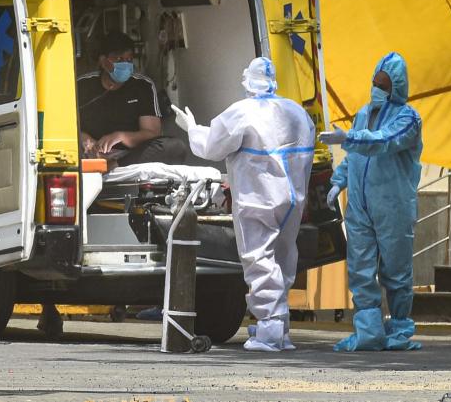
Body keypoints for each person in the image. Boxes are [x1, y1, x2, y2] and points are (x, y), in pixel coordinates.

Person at [172, 57, 314, 352]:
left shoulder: (242, 112)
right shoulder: (297, 112)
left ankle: (270, 331)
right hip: (292, 198)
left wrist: (192, 129)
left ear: (247, 81)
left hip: (258, 198)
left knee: (259, 259)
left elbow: (212, 147)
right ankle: (280, 326)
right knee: (284, 258)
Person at [320, 52, 423, 352]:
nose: (376, 87)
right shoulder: (364, 114)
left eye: (383, 82)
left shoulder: (408, 119)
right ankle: (369, 333)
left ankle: (399, 330)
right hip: (361, 206)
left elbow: (382, 142)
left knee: (396, 269)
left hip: (393, 205)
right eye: (375, 80)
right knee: (361, 268)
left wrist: (348, 138)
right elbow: (355, 155)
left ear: (396, 86)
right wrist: (339, 181)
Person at [77, 32, 186, 166]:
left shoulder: (142, 85)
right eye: (118, 59)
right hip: (90, 153)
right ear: (103, 61)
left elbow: (152, 132)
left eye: (128, 60)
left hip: (131, 156)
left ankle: (114, 165)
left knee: (175, 147)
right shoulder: (82, 85)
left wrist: (121, 137)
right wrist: (84, 139)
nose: (125, 64)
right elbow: (65, 124)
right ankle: (102, 163)